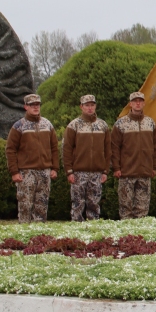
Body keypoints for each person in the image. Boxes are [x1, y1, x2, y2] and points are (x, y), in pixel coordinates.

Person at [6, 94, 59, 224]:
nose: (35, 107)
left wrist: (54, 168)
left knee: (42, 205)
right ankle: (24, 232)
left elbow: (54, 148)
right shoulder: (19, 126)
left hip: (45, 172)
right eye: (32, 105)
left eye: (37, 104)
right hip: (26, 172)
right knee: (25, 204)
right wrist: (14, 171)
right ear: (26, 107)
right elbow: (10, 149)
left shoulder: (47, 124)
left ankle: (40, 236)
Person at [112, 91, 156, 219]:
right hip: (126, 173)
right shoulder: (120, 124)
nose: (137, 103)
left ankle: (139, 236)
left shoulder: (150, 123)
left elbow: (155, 147)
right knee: (125, 208)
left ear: (144, 103)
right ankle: (126, 237)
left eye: (140, 101)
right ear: (130, 104)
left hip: (145, 172)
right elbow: (115, 148)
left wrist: (154, 167)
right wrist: (116, 168)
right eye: (135, 101)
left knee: (142, 209)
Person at [64, 94, 112, 222]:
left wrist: (105, 171)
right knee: (77, 204)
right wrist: (69, 171)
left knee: (94, 205)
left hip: (97, 173)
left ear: (95, 106)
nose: (90, 108)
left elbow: (108, 150)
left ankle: (94, 232)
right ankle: (76, 233)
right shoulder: (74, 125)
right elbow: (67, 149)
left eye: (92, 105)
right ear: (81, 107)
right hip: (79, 172)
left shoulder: (103, 126)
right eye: (87, 105)